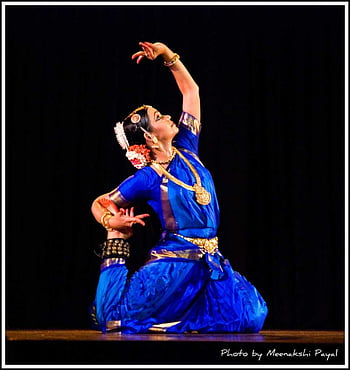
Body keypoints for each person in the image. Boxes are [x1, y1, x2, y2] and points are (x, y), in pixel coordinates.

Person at [90, 41, 268, 334]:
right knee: (114, 318)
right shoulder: (147, 177)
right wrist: (112, 222)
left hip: (210, 262)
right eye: (159, 118)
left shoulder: (187, 147)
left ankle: (177, 320)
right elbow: (100, 202)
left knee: (252, 315)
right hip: (174, 264)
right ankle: (122, 261)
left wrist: (167, 56)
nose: (169, 117)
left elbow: (191, 92)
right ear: (148, 137)